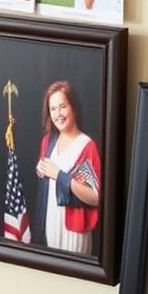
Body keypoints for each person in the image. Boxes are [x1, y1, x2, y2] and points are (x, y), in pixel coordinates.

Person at [34, 80, 100, 255]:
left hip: (74, 228)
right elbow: (47, 176)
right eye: (53, 109)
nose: (58, 114)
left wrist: (60, 175)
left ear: (73, 108)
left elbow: (95, 196)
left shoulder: (86, 146)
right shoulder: (48, 142)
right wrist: (41, 170)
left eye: (63, 107)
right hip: (51, 220)